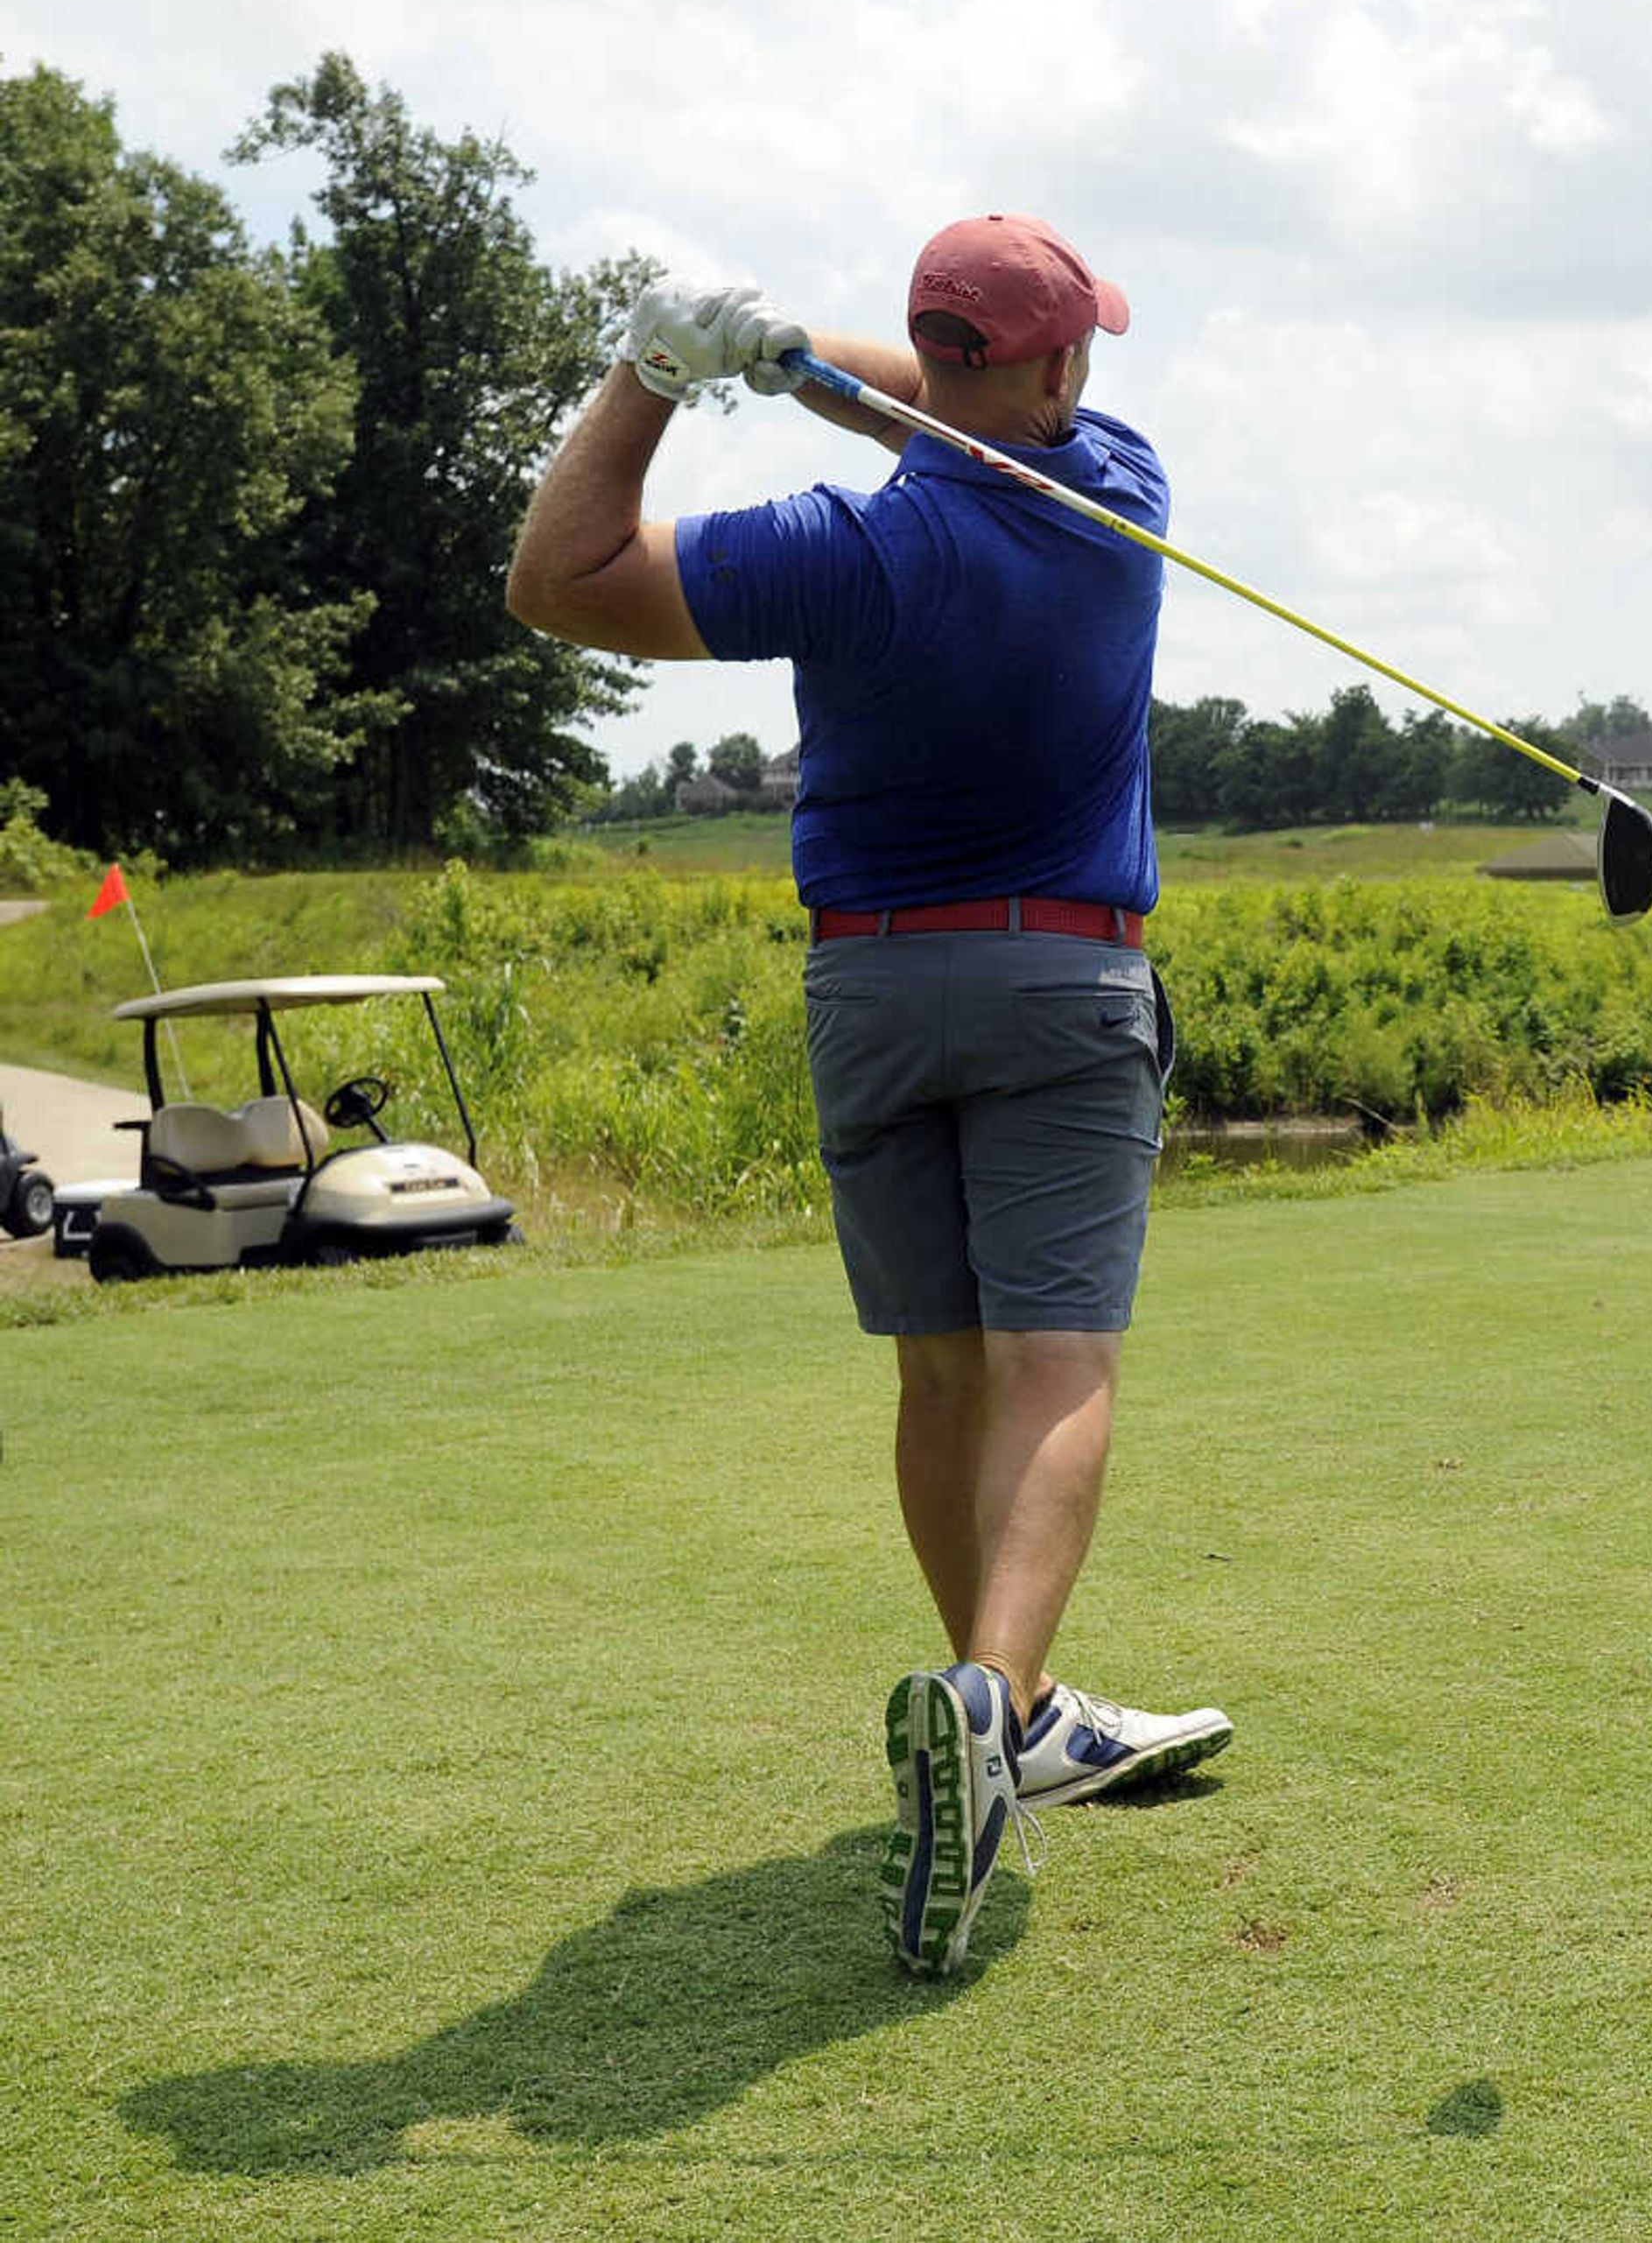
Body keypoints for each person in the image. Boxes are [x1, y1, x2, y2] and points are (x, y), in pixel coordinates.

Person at [507, 216, 1231, 1979]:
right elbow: (956, 407)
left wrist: (664, 369)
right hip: (1064, 978)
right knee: (1058, 1366)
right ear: (1058, 370)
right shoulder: (1117, 481)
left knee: (937, 1364)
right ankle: (995, 1700)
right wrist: (790, 357)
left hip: (875, 984)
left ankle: (1009, 1710)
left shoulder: (842, 551)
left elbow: (559, 574)